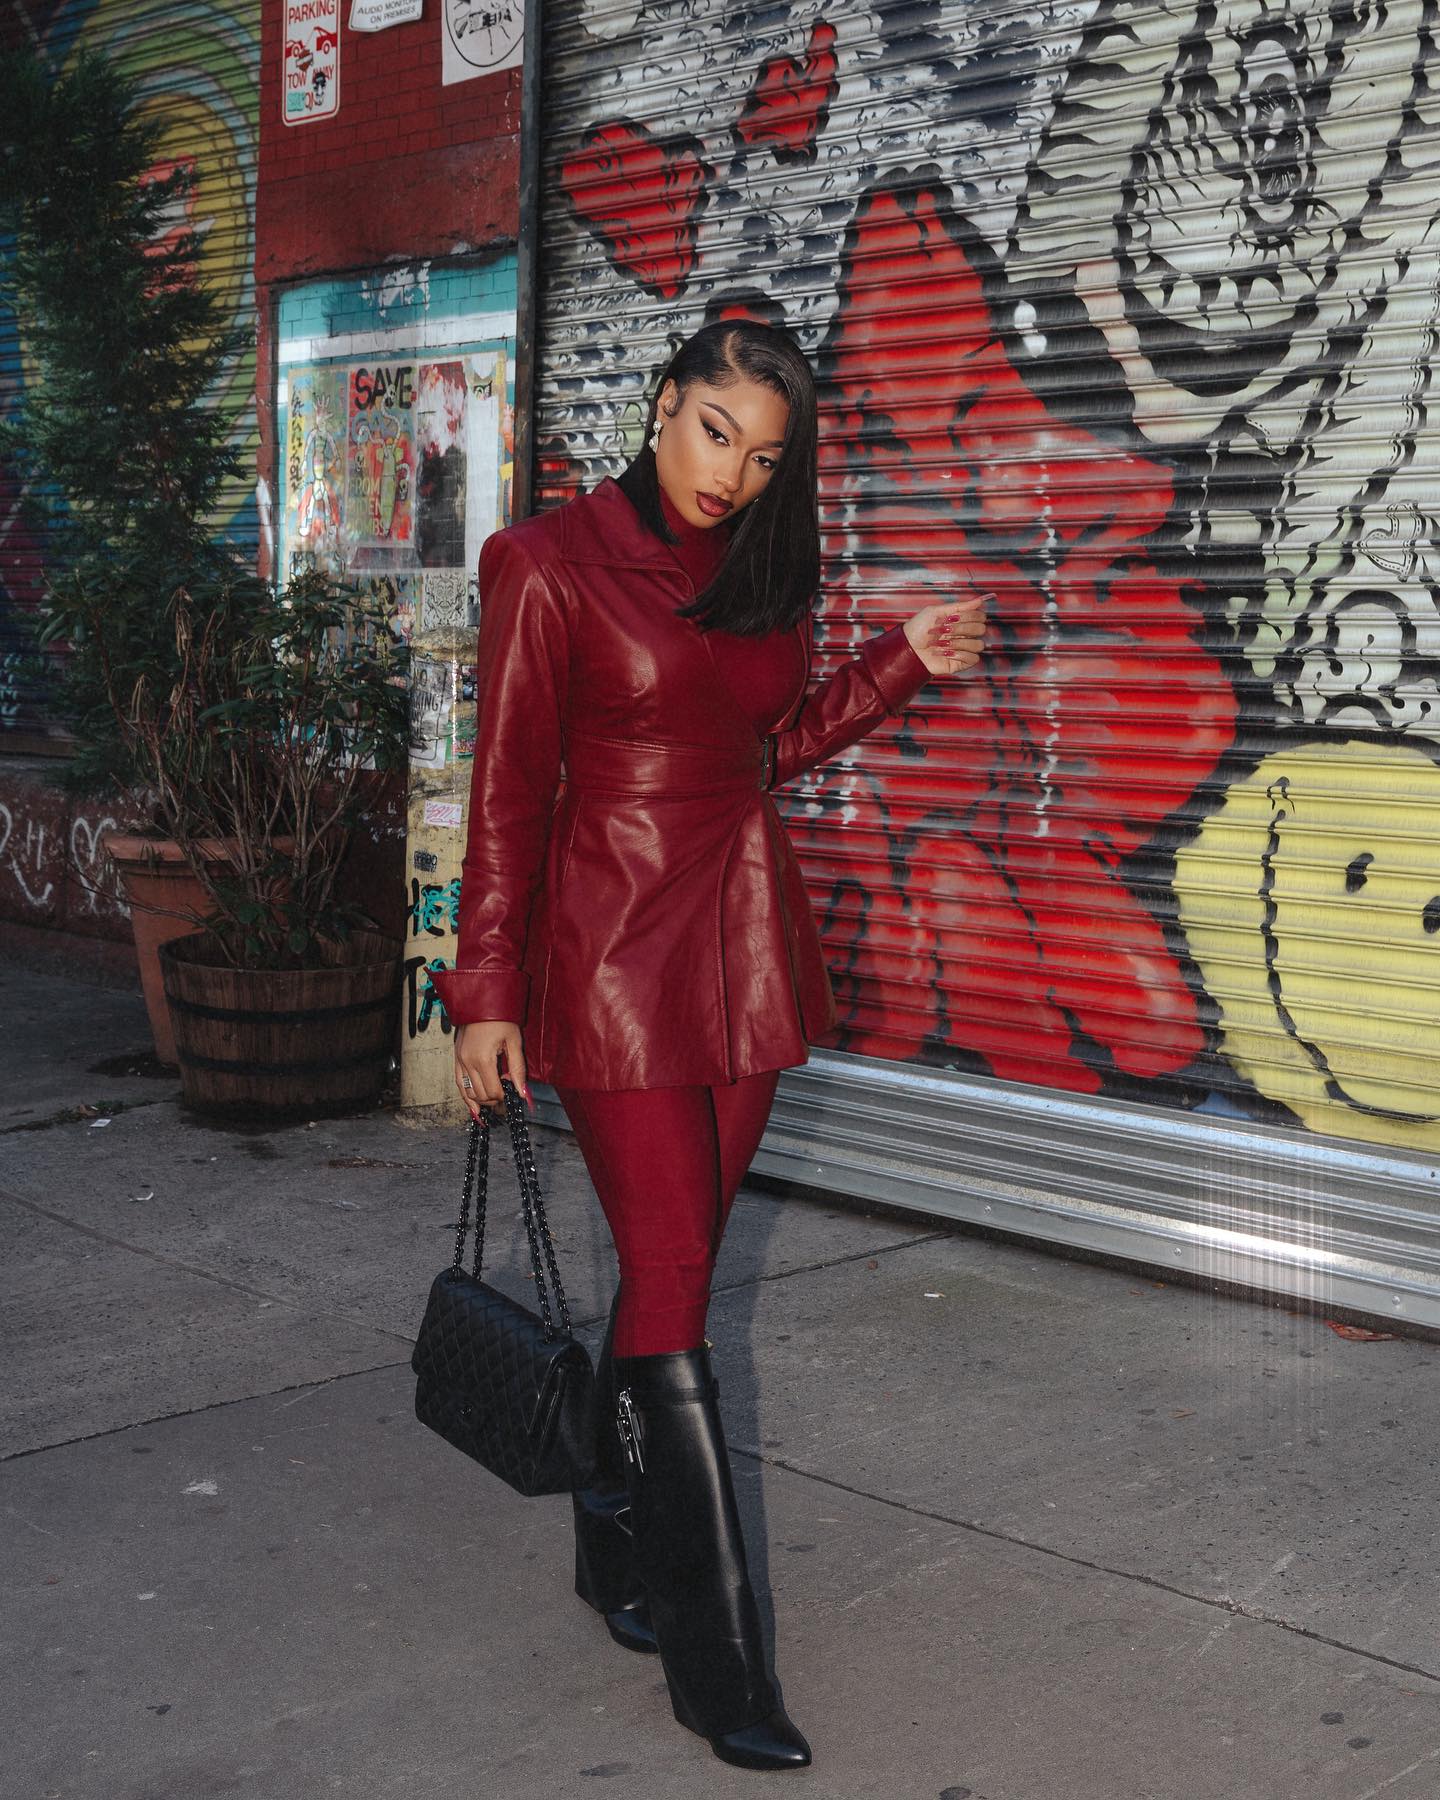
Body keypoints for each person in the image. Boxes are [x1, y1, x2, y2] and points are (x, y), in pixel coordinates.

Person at [428, 320, 987, 1771]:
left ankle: (613, 1531)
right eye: (714, 431)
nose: (732, 472)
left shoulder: (753, 566)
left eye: (764, 453)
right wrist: (481, 987)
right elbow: (505, 791)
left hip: (744, 953)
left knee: (668, 1277)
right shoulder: (545, 564)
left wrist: (897, 664)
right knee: (673, 1292)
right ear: (662, 402)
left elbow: (766, 746)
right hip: (611, 962)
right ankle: (715, 1655)